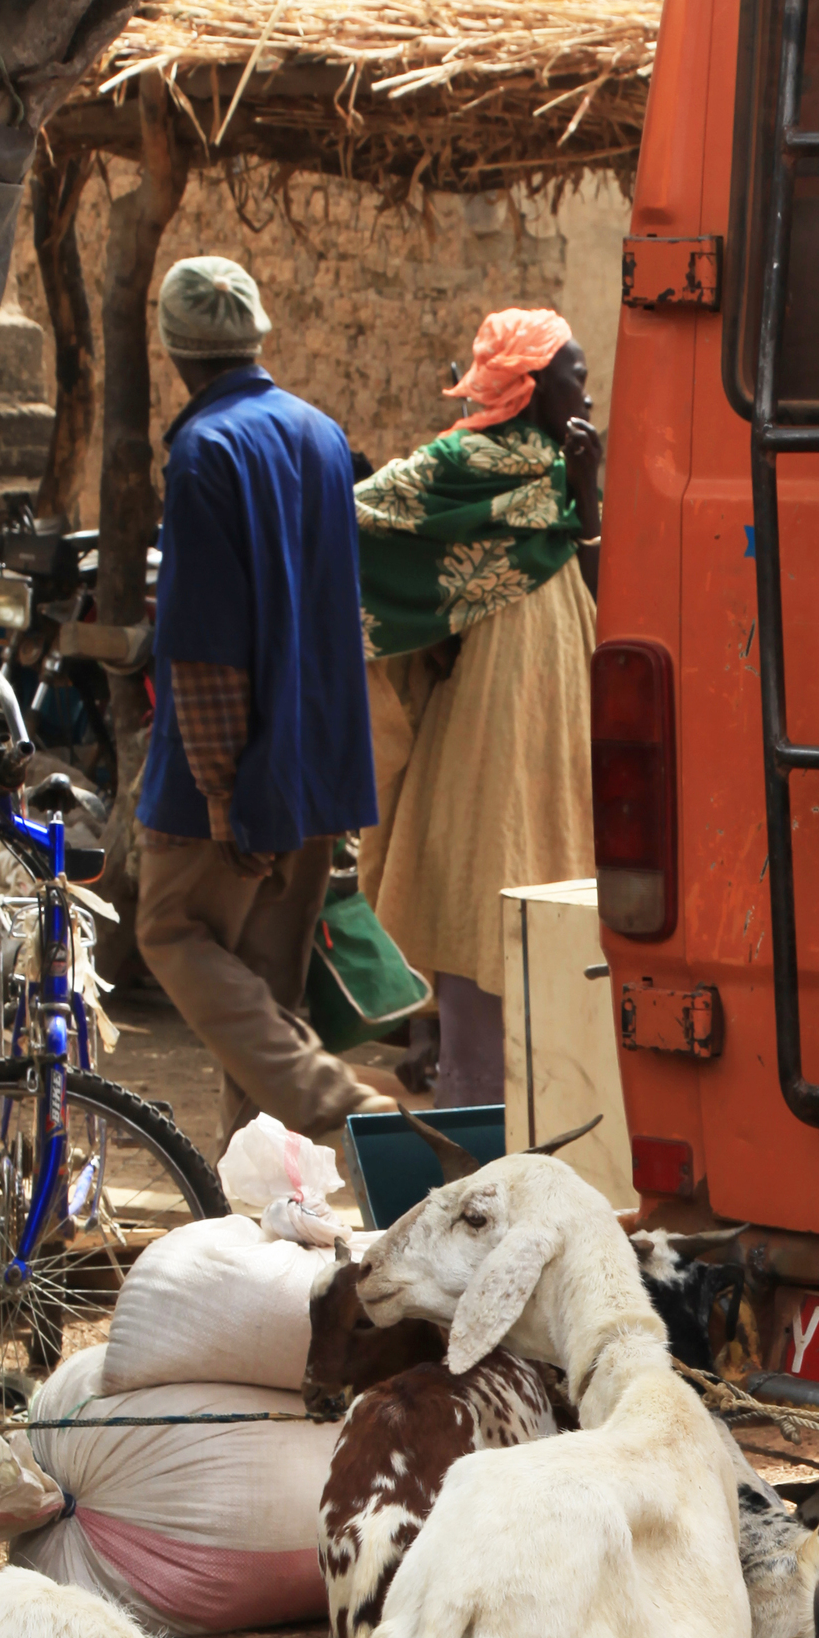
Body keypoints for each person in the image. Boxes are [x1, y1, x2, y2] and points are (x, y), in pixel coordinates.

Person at [134, 254, 388, 1144]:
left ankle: (342, 1103)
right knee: (265, 996)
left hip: (239, 781)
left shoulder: (204, 455)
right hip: (317, 770)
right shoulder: (319, 433)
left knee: (171, 934)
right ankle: (260, 1215)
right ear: (257, 337)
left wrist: (222, 801)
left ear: (174, 352)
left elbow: (203, 661)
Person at [354, 307, 600, 1110]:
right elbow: (359, 519)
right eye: (577, 377)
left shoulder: (566, 469)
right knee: (484, 884)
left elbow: (590, 576)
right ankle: (473, 1135)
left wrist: (589, 497)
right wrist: (434, 622)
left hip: (555, 706)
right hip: (486, 719)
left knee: (554, 873)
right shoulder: (458, 464)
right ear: (530, 384)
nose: (588, 395)